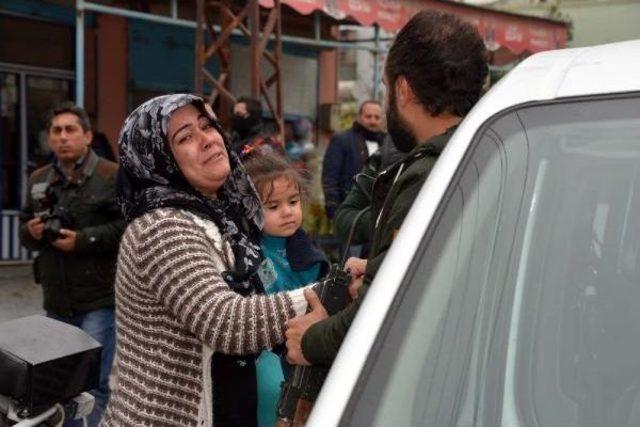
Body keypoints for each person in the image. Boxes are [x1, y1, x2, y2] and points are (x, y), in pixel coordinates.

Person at [285, 10, 489, 367]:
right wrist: (380, 264)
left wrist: (312, 338)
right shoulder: (488, 152)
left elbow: (383, 308)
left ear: (403, 89)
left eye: (384, 87)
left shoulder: (427, 173)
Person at [102, 94, 317, 427]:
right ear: (158, 159)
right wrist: (326, 294)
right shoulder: (162, 227)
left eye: (207, 126)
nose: (206, 140)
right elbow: (225, 323)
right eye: (185, 137)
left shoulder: (224, 216)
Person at [19, 102, 124, 427]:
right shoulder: (38, 179)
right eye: (56, 131)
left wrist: (84, 240)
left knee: (92, 384)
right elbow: (24, 231)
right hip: (56, 301)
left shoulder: (111, 175)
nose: (63, 137)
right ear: (49, 138)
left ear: (87, 135)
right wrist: (31, 232)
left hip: (98, 299)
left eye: (70, 130)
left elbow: (126, 228)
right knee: (61, 386)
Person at [243, 152, 329, 427]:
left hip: (306, 354)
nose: (288, 212)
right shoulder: (245, 252)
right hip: (264, 354)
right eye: (273, 206)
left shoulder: (309, 254)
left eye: (293, 202)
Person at [321, 100, 386, 219]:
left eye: (377, 117)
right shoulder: (342, 140)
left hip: (377, 216)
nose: (373, 121)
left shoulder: (387, 144)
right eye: (368, 116)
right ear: (359, 117)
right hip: (349, 212)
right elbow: (330, 178)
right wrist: (334, 212)